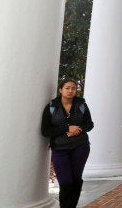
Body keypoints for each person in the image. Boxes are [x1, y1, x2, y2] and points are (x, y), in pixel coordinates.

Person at [41, 78, 94, 208]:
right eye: (67, 88)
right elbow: (45, 131)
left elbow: (89, 124)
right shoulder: (52, 107)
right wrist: (67, 128)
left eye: (73, 88)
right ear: (60, 90)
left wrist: (79, 129)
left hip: (80, 147)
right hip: (60, 149)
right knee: (65, 181)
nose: (70, 91)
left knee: (76, 179)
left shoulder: (81, 105)